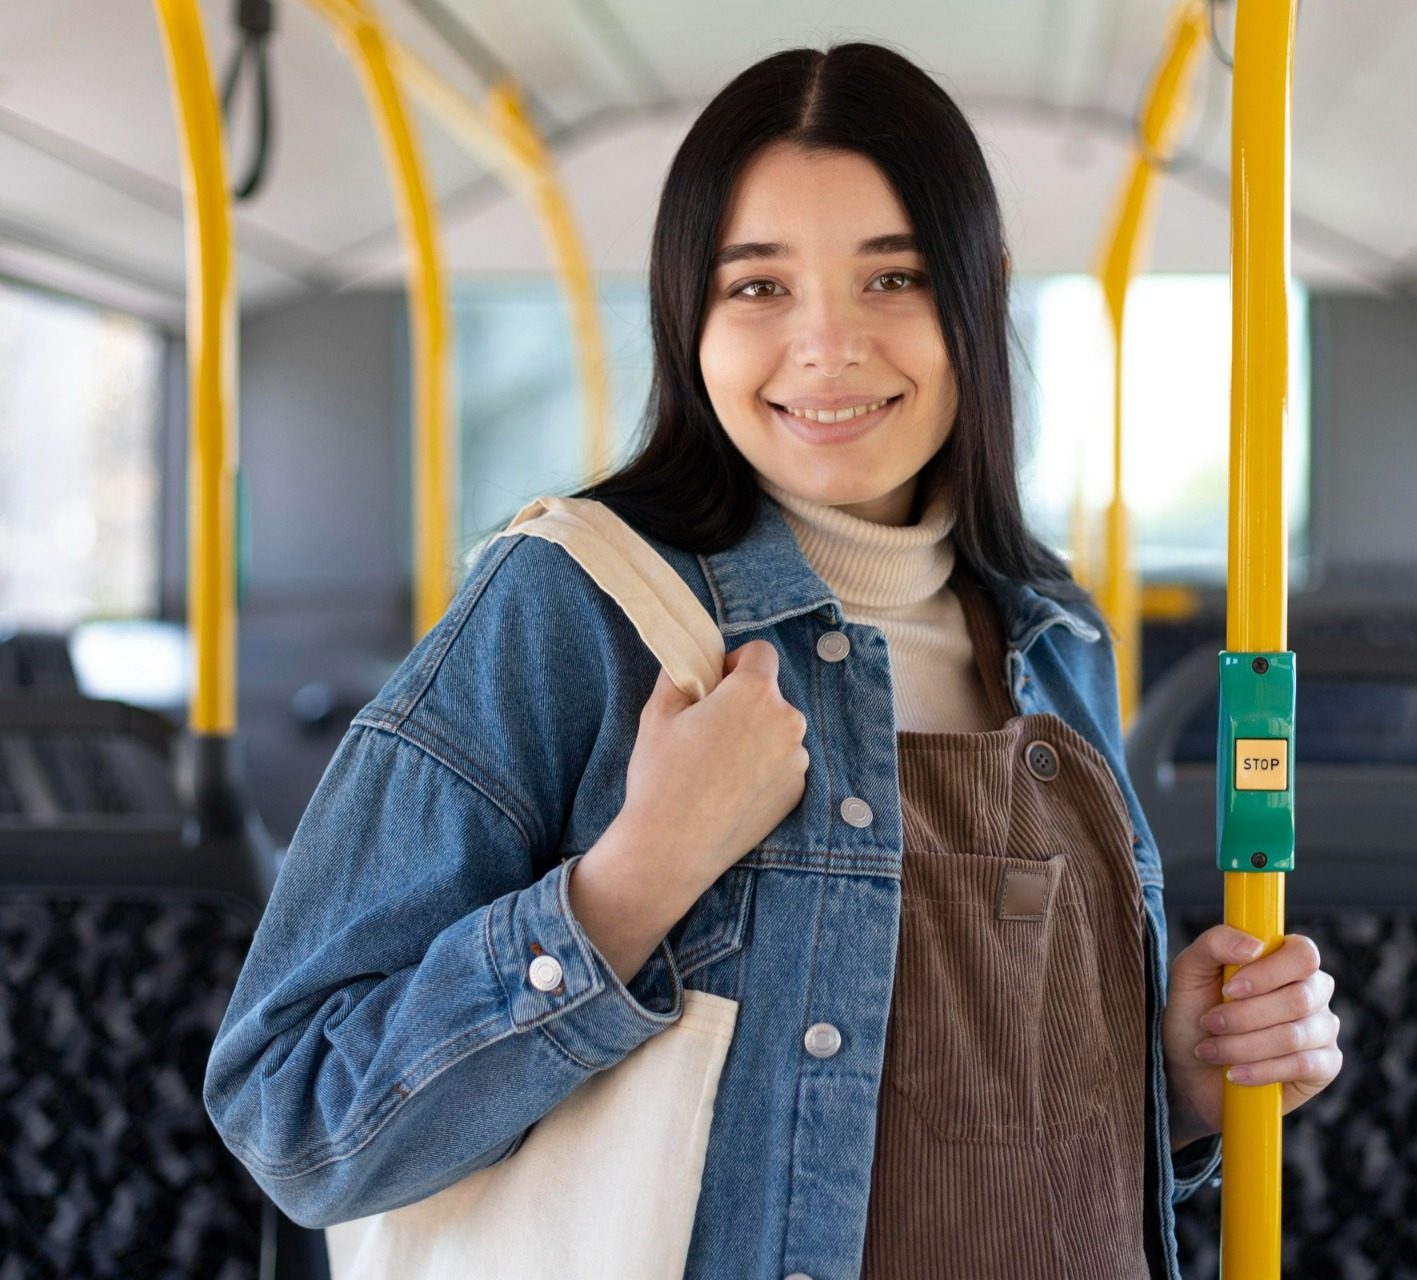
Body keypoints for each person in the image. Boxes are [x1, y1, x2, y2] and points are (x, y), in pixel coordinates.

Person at [205, 41, 1341, 1279]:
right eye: (757, 288)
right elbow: (295, 1114)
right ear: (686, 314)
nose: (826, 347)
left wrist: (1171, 1082)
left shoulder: (1056, 636)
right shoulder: (572, 605)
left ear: (975, 295)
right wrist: (630, 885)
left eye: (892, 277)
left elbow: (992, 1140)